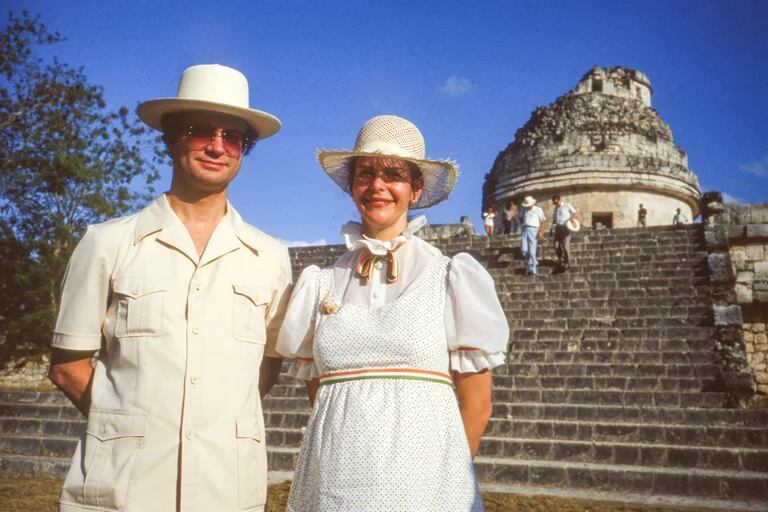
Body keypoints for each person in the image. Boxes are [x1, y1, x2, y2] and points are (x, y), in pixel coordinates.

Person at [48, 64, 291, 512]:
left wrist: (205, 418)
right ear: (171, 138)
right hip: (123, 488)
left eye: (232, 137)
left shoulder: (271, 258)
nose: (217, 147)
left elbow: (265, 368)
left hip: (227, 489)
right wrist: (126, 426)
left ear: (243, 149)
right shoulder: (107, 242)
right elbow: (67, 364)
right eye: (201, 131)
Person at [276, 115, 508, 511]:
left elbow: (478, 403)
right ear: (352, 187)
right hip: (336, 484)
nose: (378, 186)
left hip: (428, 488)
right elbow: (324, 395)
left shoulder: (450, 276)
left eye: (394, 174)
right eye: (365, 173)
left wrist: (445, 483)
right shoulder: (322, 282)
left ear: (415, 189)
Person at [519, 196, 545, 276]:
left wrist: (541, 232)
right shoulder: (524, 210)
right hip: (524, 229)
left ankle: (532, 269)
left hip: (534, 229)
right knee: (524, 249)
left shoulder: (538, 210)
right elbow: (521, 219)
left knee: (532, 250)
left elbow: (542, 221)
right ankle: (534, 261)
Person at [551, 194, 578, 270]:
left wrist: (572, 218)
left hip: (566, 229)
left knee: (566, 247)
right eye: (554, 203)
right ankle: (561, 260)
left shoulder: (567, 205)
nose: (555, 204)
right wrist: (551, 229)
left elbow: (574, 212)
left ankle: (568, 263)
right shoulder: (555, 209)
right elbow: (554, 221)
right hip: (558, 229)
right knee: (556, 247)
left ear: (559, 199)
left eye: (556, 202)